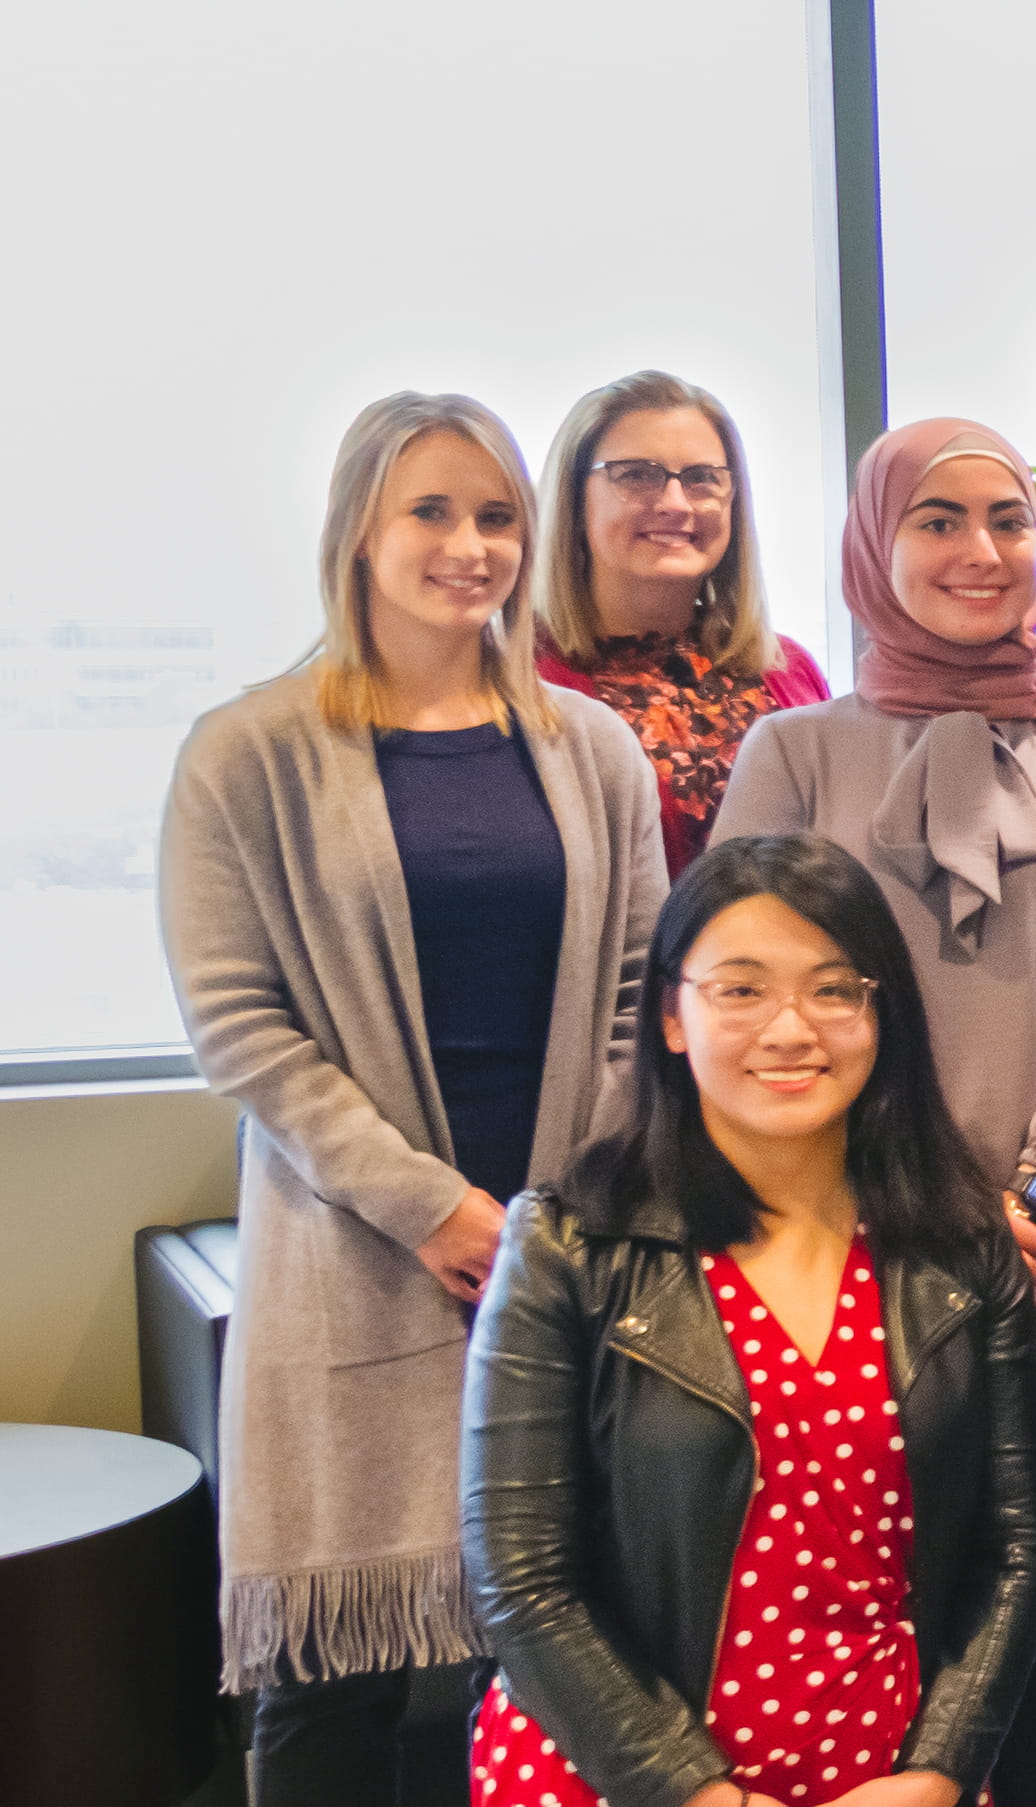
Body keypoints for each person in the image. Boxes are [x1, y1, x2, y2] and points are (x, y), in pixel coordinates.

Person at [163, 392, 665, 1807]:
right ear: (358, 533)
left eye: (497, 515)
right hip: (352, 1249)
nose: (469, 544)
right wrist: (428, 1204)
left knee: (558, 1655)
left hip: (565, 1249)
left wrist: (556, 1209)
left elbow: (641, 996)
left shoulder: (591, 748)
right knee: (337, 1670)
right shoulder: (246, 751)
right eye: (430, 511)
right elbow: (240, 1025)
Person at [714, 416, 1036, 1807]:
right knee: (871, 1647)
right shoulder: (797, 753)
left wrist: (1027, 1196)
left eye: (1007, 519)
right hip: (843, 1265)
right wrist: (915, 1207)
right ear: (875, 541)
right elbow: (751, 1006)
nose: (981, 549)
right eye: (937, 519)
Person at [461, 833, 1036, 1807]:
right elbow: (521, 1581)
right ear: (672, 1014)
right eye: (740, 988)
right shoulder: (567, 1246)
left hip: (886, 1777)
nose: (790, 1028)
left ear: (882, 1014)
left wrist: (940, 1770)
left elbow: (1018, 1546)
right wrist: (702, 1796)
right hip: (617, 1774)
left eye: (834, 989)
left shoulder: (960, 1245)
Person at [530, 369, 830, 872]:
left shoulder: (788, 670)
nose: (675, 503)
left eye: (702, 478)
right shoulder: (520, 678)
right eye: (636, 475)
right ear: (573, 498)